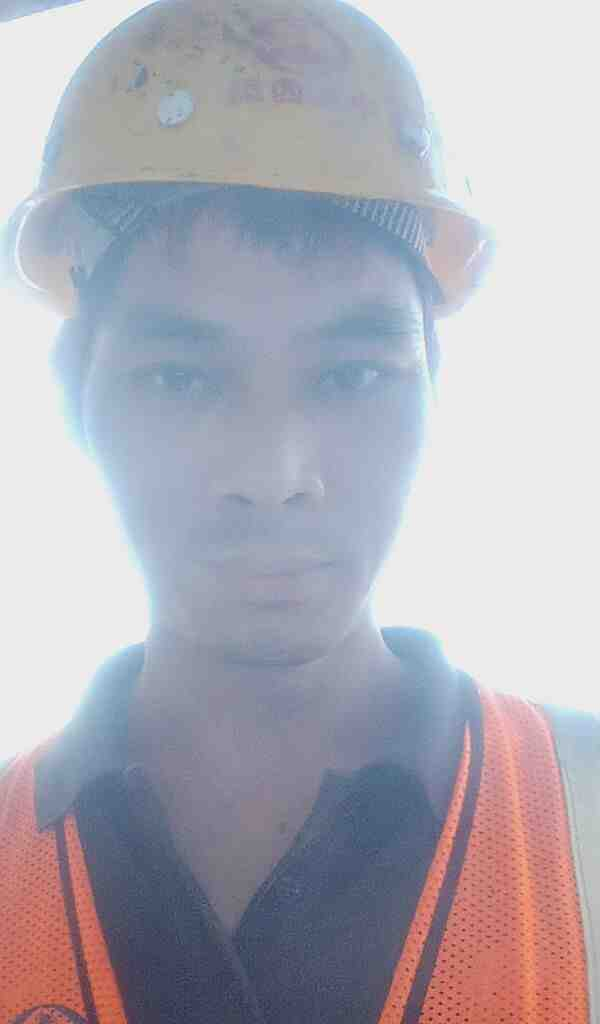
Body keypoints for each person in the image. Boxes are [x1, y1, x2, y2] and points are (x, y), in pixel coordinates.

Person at [1, 1, 598, 1022]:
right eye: (182, 378)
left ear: (435, 392)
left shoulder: (583, 817)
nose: (275, 473)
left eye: (352, 374)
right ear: (74, 402)